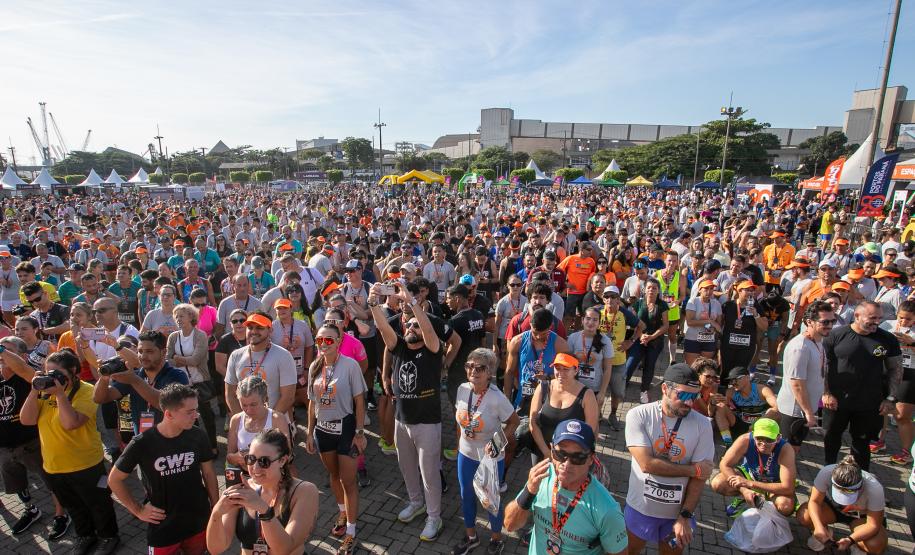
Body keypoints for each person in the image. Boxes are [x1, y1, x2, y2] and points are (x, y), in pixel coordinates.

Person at [19, 349, 121, 555]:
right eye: (48, 372)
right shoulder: (43, 390)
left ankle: (109, 536)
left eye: (57, 373)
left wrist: (59, 395)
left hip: (86, 464)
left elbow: (71, 423)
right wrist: (33, 390)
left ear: (73, 371)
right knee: (73, 506)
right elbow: (26, 420)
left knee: (98, 504)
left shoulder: (85, 391)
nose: (51, 378)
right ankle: (85, 535)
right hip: (54, 464)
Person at [370, 281, 445, 541]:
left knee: (429, 474)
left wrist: (411, 301)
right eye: (408, 325)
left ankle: (434, 517)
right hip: (402, 421)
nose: (411, 327)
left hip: (427, 423)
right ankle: (416, 503)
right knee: (407, 468)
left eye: (416, 325)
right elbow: (382, 326)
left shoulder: (433, 350)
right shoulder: (399, 346)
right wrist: (372, 302)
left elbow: (427, 329)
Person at [108, 384, 219, 555]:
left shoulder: (197, 435)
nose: (196, 415)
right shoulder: (142, 443)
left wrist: (216, 507)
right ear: (168, 414)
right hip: (163, 527)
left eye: (196, 410)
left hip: (198, 519)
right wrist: (138, 510)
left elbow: (209, 473)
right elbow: (114, 480)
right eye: (189, 412)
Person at [624, 363, 715, 554]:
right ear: (665, 388)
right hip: (641, 509)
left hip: (676, 515)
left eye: (695, 396)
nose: (690, 403)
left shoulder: (703, 425)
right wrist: (692, 470)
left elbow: (700, 479)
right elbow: (646, 464)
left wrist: (685, 516)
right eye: (684, 395)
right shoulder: (638, 415)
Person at [503, 419, 627, 555]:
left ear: (591, 459)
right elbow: (510, 525)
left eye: (578, 457)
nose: (566, 464)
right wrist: (529, 491)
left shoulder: (607, 511)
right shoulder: (541, 477)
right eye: (560, 454)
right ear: (551, 451)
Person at [304, 323, 367, 555]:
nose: (323, 344)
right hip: (323, 430)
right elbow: (312, 402)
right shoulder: (314, 366)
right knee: (333, 475)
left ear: (339, 341)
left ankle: (351, 531)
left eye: (329, 340)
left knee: (348, 481)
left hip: (346, 429)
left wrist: (360, 433)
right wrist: (309, 432)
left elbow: (360, 400)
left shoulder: (349, 366)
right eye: (320, 340)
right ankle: (342, 512)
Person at [0, 336, 70, 540]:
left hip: (31, 443)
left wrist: (1, 350)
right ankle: (31, 509)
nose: (3, 355)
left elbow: (20, 368)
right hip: (5, 446)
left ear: (22, 355)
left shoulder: (31, 376)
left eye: (7, 350)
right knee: (17, 483)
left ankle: (61, 515)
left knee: (50, 481)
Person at [206, 429, 319, 555]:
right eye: (251, 459)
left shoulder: (304, 491)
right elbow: (216, 548)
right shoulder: (242, 489)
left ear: (282, 460)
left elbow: (284, 550)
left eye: (264, 461)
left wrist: (262, 509)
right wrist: (216, 513)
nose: (255, 468)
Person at [452, 348, 519, 555]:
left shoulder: (496, 398)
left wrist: (498, 444)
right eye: (469, 366)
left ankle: (497, 539)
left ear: (489, 372)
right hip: (466, 455)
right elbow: (459, 422)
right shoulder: (462, 389)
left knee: (491, 501)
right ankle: (471, 537)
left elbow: (514, 422)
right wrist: (458, 444)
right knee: (467, 496)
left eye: (479, 367)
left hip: (490, 459)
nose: (473, 370)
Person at [823, 301, 902, 470]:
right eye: (872, 318)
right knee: (831, 438)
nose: (877, 322)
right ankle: (827, 474)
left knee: (862, 443)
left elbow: (895, 369)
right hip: (837, 401)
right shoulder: (836, 335)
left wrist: (890, 398)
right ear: (857, 316)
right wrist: (826, 392)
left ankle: (859, 482)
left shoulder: (887, 339)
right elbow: (823, 365)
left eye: (879, 318)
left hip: (869, 403)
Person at [92, 330, 190, 436]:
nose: (143, 356)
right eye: (140, 351)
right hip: (144, 443)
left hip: (172, 443)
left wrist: (135, 381)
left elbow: (167, 405)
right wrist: (104, 378)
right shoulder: (136, 375)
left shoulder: (177, 375)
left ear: (163, 352)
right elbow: (100, 398)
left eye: (149, 351)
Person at [797, 455, 888, 554]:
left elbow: (873, 525)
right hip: (833, 509)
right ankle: (825, 533)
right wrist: (818, 527)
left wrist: (851, 540)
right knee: (804, 515)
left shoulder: (875, 488)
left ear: (860, 486)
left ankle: (858, 545)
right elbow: (814, 501)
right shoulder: (826, 472)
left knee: (875, 544)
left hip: (861, 517)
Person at [776, 300, 835, 452]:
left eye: (832, 321)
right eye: (825, 321)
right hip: (795, 410)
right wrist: (808, 412)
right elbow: (797, 383)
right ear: (809, 321)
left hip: (805, 408)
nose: (830, 325)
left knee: (793, 449)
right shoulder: (800, 347)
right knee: (787, 451)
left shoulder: (818, 341)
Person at [710, 418, 797, 517]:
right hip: (750, 476)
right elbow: (724, 464)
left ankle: (766, 510)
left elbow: (788, 488)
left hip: (774, 483)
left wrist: (750, 484)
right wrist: (744, 489)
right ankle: (746, 497)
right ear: (753, 434)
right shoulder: (745, 440)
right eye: (759, 438)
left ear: (778, 438)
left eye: (769, 440)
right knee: (718, 483)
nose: (763, 443)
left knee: (785, 506)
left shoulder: (786, 449)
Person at [224, 311, 297, 417]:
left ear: (270, 330)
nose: (253, 331)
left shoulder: (283, 356)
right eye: (250, 327)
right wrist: (243, 421)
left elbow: (288, 397)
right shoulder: (236, 355)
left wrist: (267, 423)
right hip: (247, 425)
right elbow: (230, 394)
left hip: (274, 425)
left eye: (259, 328)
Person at [530, 352, 600, 461]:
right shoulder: (544, 387)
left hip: (572, 456)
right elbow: (532, 422)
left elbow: (590, 431)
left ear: (576, 370)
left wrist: (573, 457)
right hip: (542, 450)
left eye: (566, 369)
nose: (560, 373)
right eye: (557, 368)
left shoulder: (587, 395)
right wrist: (547, 452)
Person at [166, 303, 217, 453]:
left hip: (200, 381)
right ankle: (196, 448)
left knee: (206, 415)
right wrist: (182, 359)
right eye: (176, 316)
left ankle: (212, 446)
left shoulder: (200, 335)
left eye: (181, 315)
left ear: (191, 317)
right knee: (189, 418)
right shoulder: (173, 337)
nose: (178, 318)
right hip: (182, 384)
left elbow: (196, 361)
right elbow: (168, 360)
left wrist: (177, 358)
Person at [878, 299, 915, 464]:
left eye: (908, 319)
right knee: (882, 408)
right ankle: (879, 441)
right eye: (901, 317)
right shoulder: (888, 324)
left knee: (901, 416)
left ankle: (906, 451)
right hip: (888, 370)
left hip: (909, 374)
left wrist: (912, 342)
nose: (903, 321)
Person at [625, 278, 669, 404]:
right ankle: (622, 386)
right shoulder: (637, 304)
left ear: (658, 291)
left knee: (649, 366)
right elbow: (633, 323)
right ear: (644, 290)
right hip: (639, 338)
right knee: (630, 363)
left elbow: (665, 325)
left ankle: (644, 390)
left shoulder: (662, 305)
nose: (651, 290)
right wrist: (642, 335)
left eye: (654, 288)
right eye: (649, 287)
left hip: (655, 340)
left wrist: (651, 337)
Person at [718, 280, 767, 387]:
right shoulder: (728, 305)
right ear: (739, 291)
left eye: (752, 291)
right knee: (726, 371)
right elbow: (720, 324)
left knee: (740, 372)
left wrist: (756, 314)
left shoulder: (756, 307)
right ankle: (723, 394)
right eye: (747, 290)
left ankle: (737, 396)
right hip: (728, 345)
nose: (751, 293)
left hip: (746, 347)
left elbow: (764, 327)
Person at [567, 306, 614, 414]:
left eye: (595, 319)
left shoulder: (605, 341)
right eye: (588, 318)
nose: (591, 322)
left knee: (592, 420)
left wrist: (602, 392)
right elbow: (567, 364)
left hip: (594, 388)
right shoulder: (573, 338)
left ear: (599, 322)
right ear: (582, 320)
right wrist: (575, 357)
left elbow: (608, 369)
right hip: (575, 386)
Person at [718, 366, 779, 444]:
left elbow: (776, 408)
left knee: (775, 412)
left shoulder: (762, 390)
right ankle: (728, 442)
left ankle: (771, 441)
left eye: (736, 379)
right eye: (731, 381)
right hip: (741, 423)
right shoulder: (730, 392)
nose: (733, 383)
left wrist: (756, 425)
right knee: (720, 407)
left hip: (760, 426)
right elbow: (716, 412)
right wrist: (712, 403)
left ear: (747, 377)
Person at [682, 278, 721, 366]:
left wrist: (714, 329)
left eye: (711, 289)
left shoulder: (716, 304)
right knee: (692, 367)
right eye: (706, 289)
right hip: (693, 339)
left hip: (709, 339)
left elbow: (719, 324)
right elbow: (690, 322)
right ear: (700, 290)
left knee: (705, 368)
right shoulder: (693, 301)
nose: (709, 291)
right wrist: (709, 321)